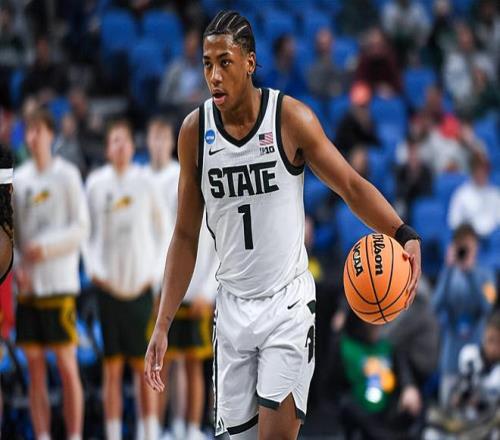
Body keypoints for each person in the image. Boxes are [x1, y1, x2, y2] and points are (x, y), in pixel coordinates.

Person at [144, 10, 421, 440]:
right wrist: (162, 322)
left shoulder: (289, 119)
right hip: (232, 306)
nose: (214, 76)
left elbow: (349, 185)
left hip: (287, 304)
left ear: (250, 63)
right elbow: (184, 235)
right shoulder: (194, 133)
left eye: (225, 62)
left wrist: (403, 233)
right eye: (207, 64)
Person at [84, 119, 167, 440]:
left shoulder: (145, 183)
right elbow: (86, 234)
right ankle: (114, 433)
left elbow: (165, 230)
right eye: (114, 140)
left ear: (133, 147)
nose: (120, 146)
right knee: (112, 370)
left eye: (124, 140)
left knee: (144, 368)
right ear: (107, 149)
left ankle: (150, 433)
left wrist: (154, 275)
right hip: (108, 290)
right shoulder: (96, 184)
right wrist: (94, 269)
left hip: (140, 290)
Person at [13, 109, 89, 440]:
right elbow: (12, 235)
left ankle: (74, 435)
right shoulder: (19, 180)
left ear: (50, 134)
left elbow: (81, 228)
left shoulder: (67, 175)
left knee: (67, 366)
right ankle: (42, 435)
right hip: (29, 288)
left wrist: (46, 248)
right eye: (27, 131)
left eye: (37, 131)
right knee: (34, 369)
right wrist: (17, 266)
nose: (32, 138)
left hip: (59, 284)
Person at [145, 116, 218, 440]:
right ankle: (163, 429)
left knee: (193, 365)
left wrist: (208, 290)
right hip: (170, 288)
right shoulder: (162, 183)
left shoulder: (209, 185)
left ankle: (190, 428)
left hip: (198, 288)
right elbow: (163, 240)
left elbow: (221, 246)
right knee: (164, 363)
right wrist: (157, 285)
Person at [432, 223, 496, 406]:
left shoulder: (486, 275)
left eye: (469, 245)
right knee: (448, 410)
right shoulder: (448, 273)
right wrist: (448, 270)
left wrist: (470, 273)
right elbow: (435, 306)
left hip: (478, 354)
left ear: (476, 246)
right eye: (462, 245)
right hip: (451, 354)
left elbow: (488, 307)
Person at [448, 155, 500, 238]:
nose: (481, 174)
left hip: (492, 238)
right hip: (470, 237)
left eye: (483, 170)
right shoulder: (461, 194)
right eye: (478, 170)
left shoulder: (495, 194)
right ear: (472, 171)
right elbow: (454, 222)